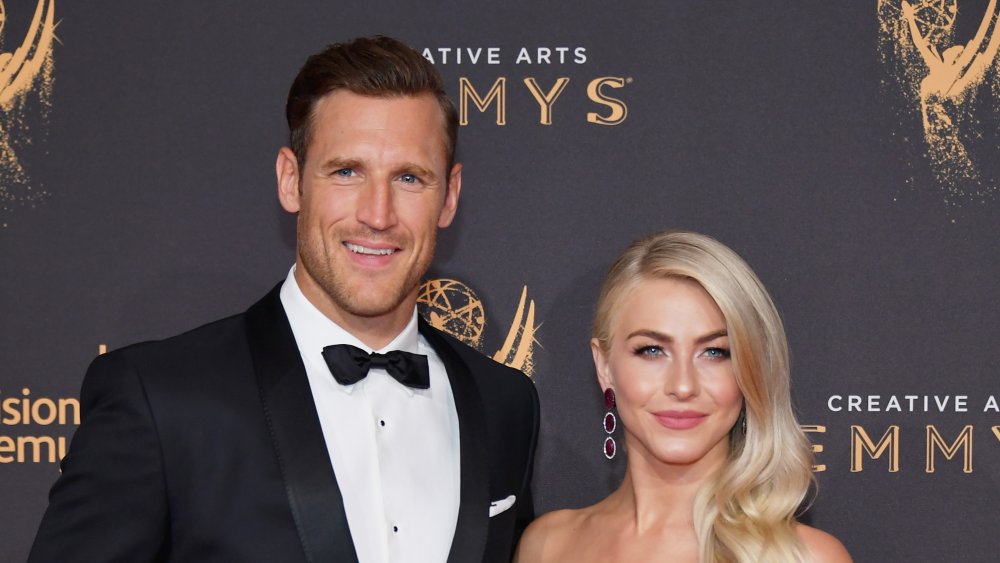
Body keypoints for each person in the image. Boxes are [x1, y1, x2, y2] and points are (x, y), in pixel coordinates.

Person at [28, 36, 539, 563]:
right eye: (347, 172)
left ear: (449, 196)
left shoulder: (505, 403)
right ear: (291, 181)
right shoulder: (160, 398)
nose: (378, 214)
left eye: (409, 177)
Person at [514, 231, 849, 562]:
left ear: (750, 370)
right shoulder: (547, 546)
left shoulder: (805, 557)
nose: (683, 385)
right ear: (605, 367)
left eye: (715, 353)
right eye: (652, 350)